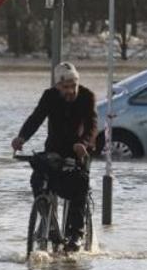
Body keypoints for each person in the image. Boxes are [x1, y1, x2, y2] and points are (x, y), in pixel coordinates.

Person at [12, 62, 97, 252]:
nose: (70, 91)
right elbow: (36, 118)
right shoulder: (49, 96)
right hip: (54, 150)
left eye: (73, 86)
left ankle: (75, 233)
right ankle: (48, 223)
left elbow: (92, 125)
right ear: (57, 86)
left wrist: (83, 144)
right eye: (65, 87)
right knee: (38, 179)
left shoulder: (86, 97)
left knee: (80, 183)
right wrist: (22, 137)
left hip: (79, 151)